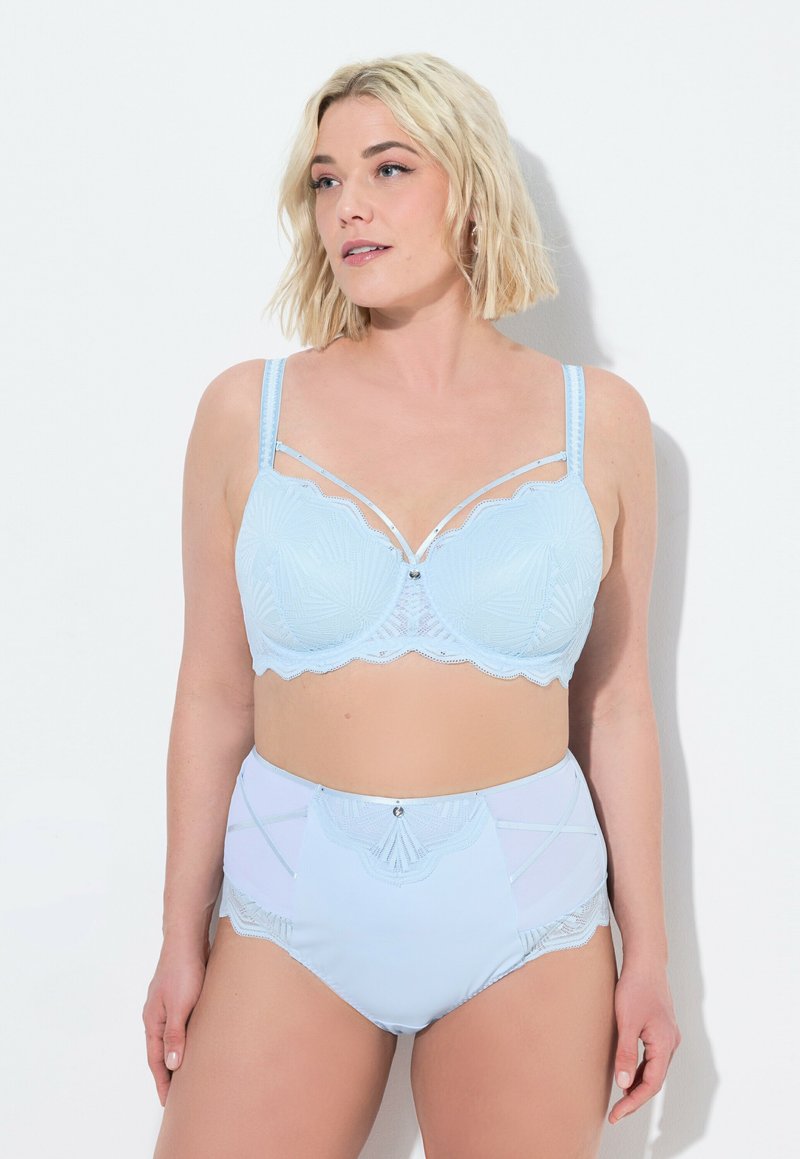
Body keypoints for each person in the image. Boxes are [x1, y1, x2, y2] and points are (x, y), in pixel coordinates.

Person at [144, 51, 680, 1158]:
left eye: (388, 169)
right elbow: (211, 695)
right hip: (290, 901)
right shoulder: (246, 411)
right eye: (325, 180)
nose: (349, 206)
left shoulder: (599, 420)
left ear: (471, 189)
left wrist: (652, 956)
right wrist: (177, 937)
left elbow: (617, 706)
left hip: (527, 910)